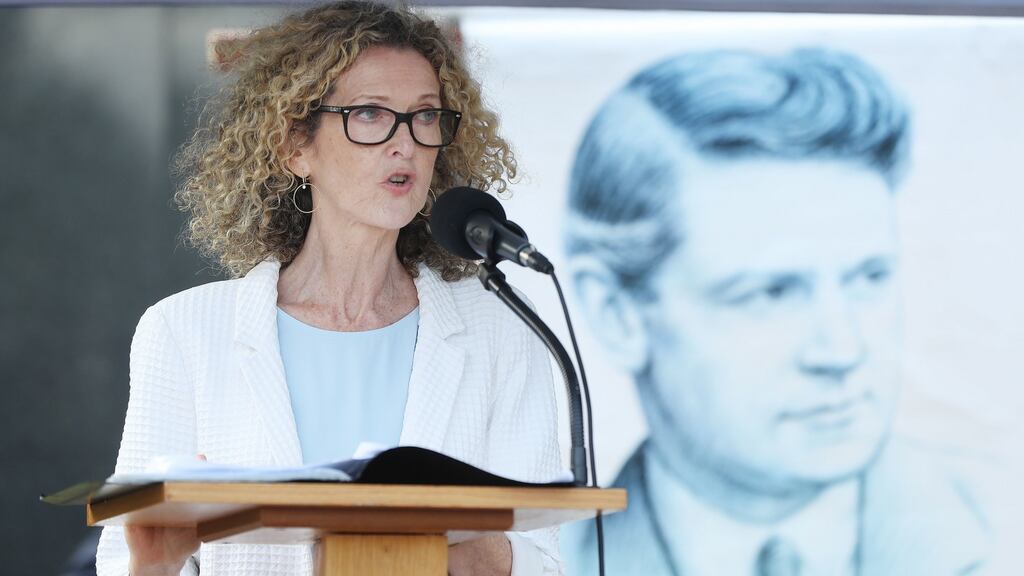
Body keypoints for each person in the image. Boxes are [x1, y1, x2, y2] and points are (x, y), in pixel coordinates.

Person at [95, 2, 563, 575]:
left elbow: (544, 561)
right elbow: (129, 558)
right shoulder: (184, 331)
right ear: (295, 146)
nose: (405, 142)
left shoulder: (503, 326)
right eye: (369, 113)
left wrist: (463, 542)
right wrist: (155, 563)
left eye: (424, 115)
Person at [563, 48, 989, 575]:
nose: (842, 351)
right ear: (616, 314)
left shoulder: (1000, 525)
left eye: (869, 279)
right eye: (772, 293)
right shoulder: (540, 555)